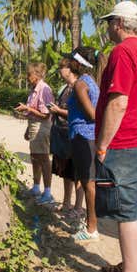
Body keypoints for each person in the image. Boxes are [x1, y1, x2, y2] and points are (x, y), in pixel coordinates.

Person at [92, 1, 137, 272]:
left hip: (125, 143)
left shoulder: (122, 52)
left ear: (119, 23)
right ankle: (130, 265)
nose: (107, 28)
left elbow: (118, 102)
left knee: (126, 212)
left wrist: (103, 144)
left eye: (109, 23)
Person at [64, 47, 102, 242]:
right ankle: (90, 223)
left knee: (88, 184)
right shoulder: (91, 82)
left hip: (82, 136)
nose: (68, 63)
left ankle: (91, 228)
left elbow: (92, 115)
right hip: (88, 137)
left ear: (77, 63)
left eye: (71, 60)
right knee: (88, 182)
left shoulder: (80, 84)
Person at [14, 62, 55, 205]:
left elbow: (46, 114)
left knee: (43, 159)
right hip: (33, 126)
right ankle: (37, 187)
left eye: (29, 74)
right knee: (35, 158)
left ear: (37, 75)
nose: (27, 77)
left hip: (42, 127)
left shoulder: (45, 89)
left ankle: (48, 192)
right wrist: (27, 129)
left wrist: (28, 109)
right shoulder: (34, 89)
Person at [48, 64, 84, 219]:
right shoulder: (64, 88)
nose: (59, 70)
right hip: (61, 134)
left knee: (78, 173)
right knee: (66, 172)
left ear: (70, 70)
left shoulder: (80, 87)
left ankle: (78, 207)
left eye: (62, 67)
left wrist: (58, 111)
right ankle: (66, 202)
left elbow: (81, 114)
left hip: (74, 135)